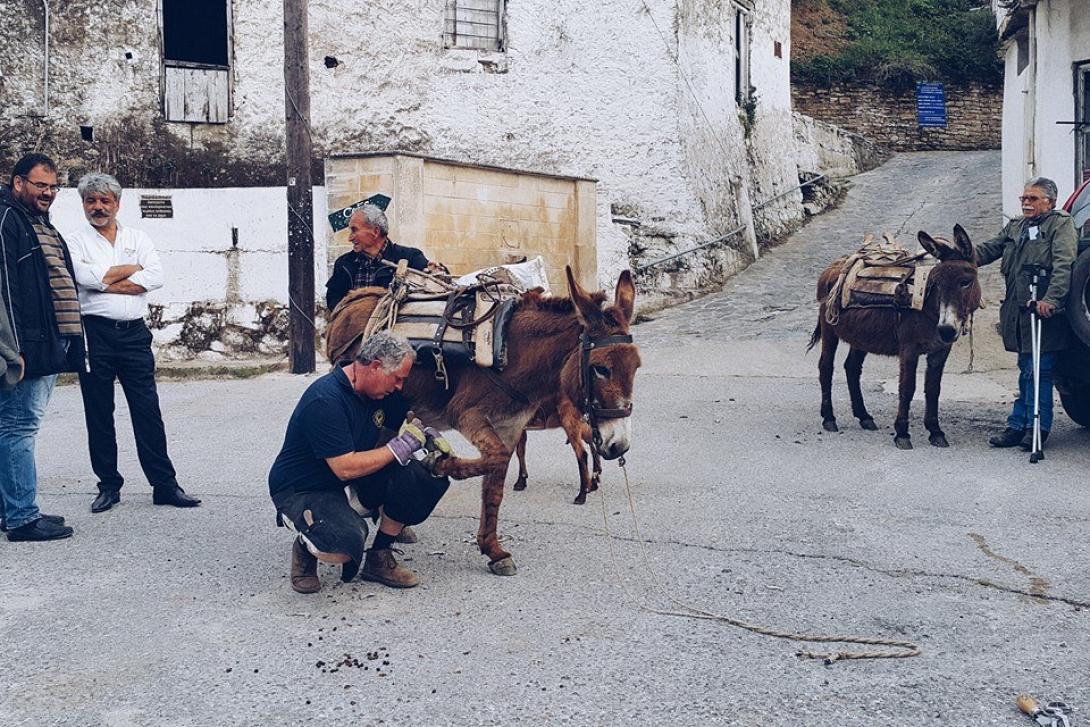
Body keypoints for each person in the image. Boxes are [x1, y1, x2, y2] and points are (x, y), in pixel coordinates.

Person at [268, 333, 452, 594]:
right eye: (397, 378)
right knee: (344, 543)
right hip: (304, 487)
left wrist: (424, 437)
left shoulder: (382, 393)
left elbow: (397, 428)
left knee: (424, 478)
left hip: (349, 478)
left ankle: (379, 557)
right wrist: (400, 446)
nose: (400, 386)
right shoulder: (325, 399)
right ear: (375, 367)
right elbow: (345, 467)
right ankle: (306, 541)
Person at [66, 173, 199, 512]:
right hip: (94, 334)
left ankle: (164, 485)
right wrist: (129, 270)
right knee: (99, 412)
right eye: (91, 201)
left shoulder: (138, 236)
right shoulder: (75, 241)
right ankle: (108, 486)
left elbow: (154, 277)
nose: (98, 207)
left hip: (134, 335)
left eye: (104, 200)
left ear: (117, 204)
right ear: (83, 204)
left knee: (147, 410)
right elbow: (83, 278)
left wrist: (103, 280)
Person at [0, 153, 84, 541]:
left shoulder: (37, 221)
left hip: (47, 342)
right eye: (41, 185)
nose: (49, 193)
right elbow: (7, 292)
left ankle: (13, 509)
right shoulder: (8, 221)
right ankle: (20, 517)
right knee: (19, 427)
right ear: (18, 183)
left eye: (54, 187)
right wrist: (13, 350)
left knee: (17, 427)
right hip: (25, 347)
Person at [975, 176, 1078, 451]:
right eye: (1024, 198)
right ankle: (1017, 425)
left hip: (1044, 313)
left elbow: (1064, 264)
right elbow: (988, 250)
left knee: (1040, 370)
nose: (1026, 203)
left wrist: (1051, 300)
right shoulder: (1016, 226)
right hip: (1018, 314)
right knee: (1025, 370)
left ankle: (1038, 428)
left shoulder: (1060, 225)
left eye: (1033, 198)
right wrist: (958, 253)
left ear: (1050, 202)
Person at [324, 203, 429, 311]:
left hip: (396, 326)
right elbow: (333, 300)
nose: (350, 238)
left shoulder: (411, 258)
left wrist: (437, 269)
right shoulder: (343, 263)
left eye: (354, 230)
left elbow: (434, 286)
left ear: (375, 232)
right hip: (354, 324)